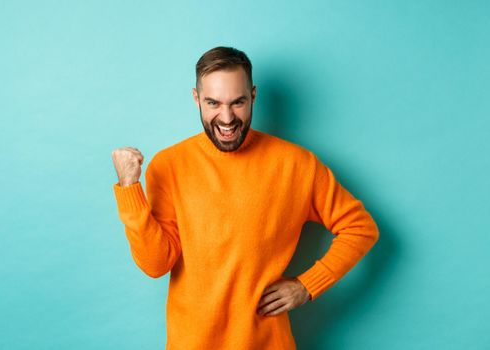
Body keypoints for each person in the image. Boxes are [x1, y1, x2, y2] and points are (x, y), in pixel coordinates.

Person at [111, 46, 379, 350]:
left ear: (253, 95)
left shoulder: (297, 164)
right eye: (213, 103)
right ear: (196, 99)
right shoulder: (169, 165)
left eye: (237, 102)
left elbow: (360, 227)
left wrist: (307, 285)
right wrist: (129, 187)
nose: (226, 118)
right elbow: (156, 264)